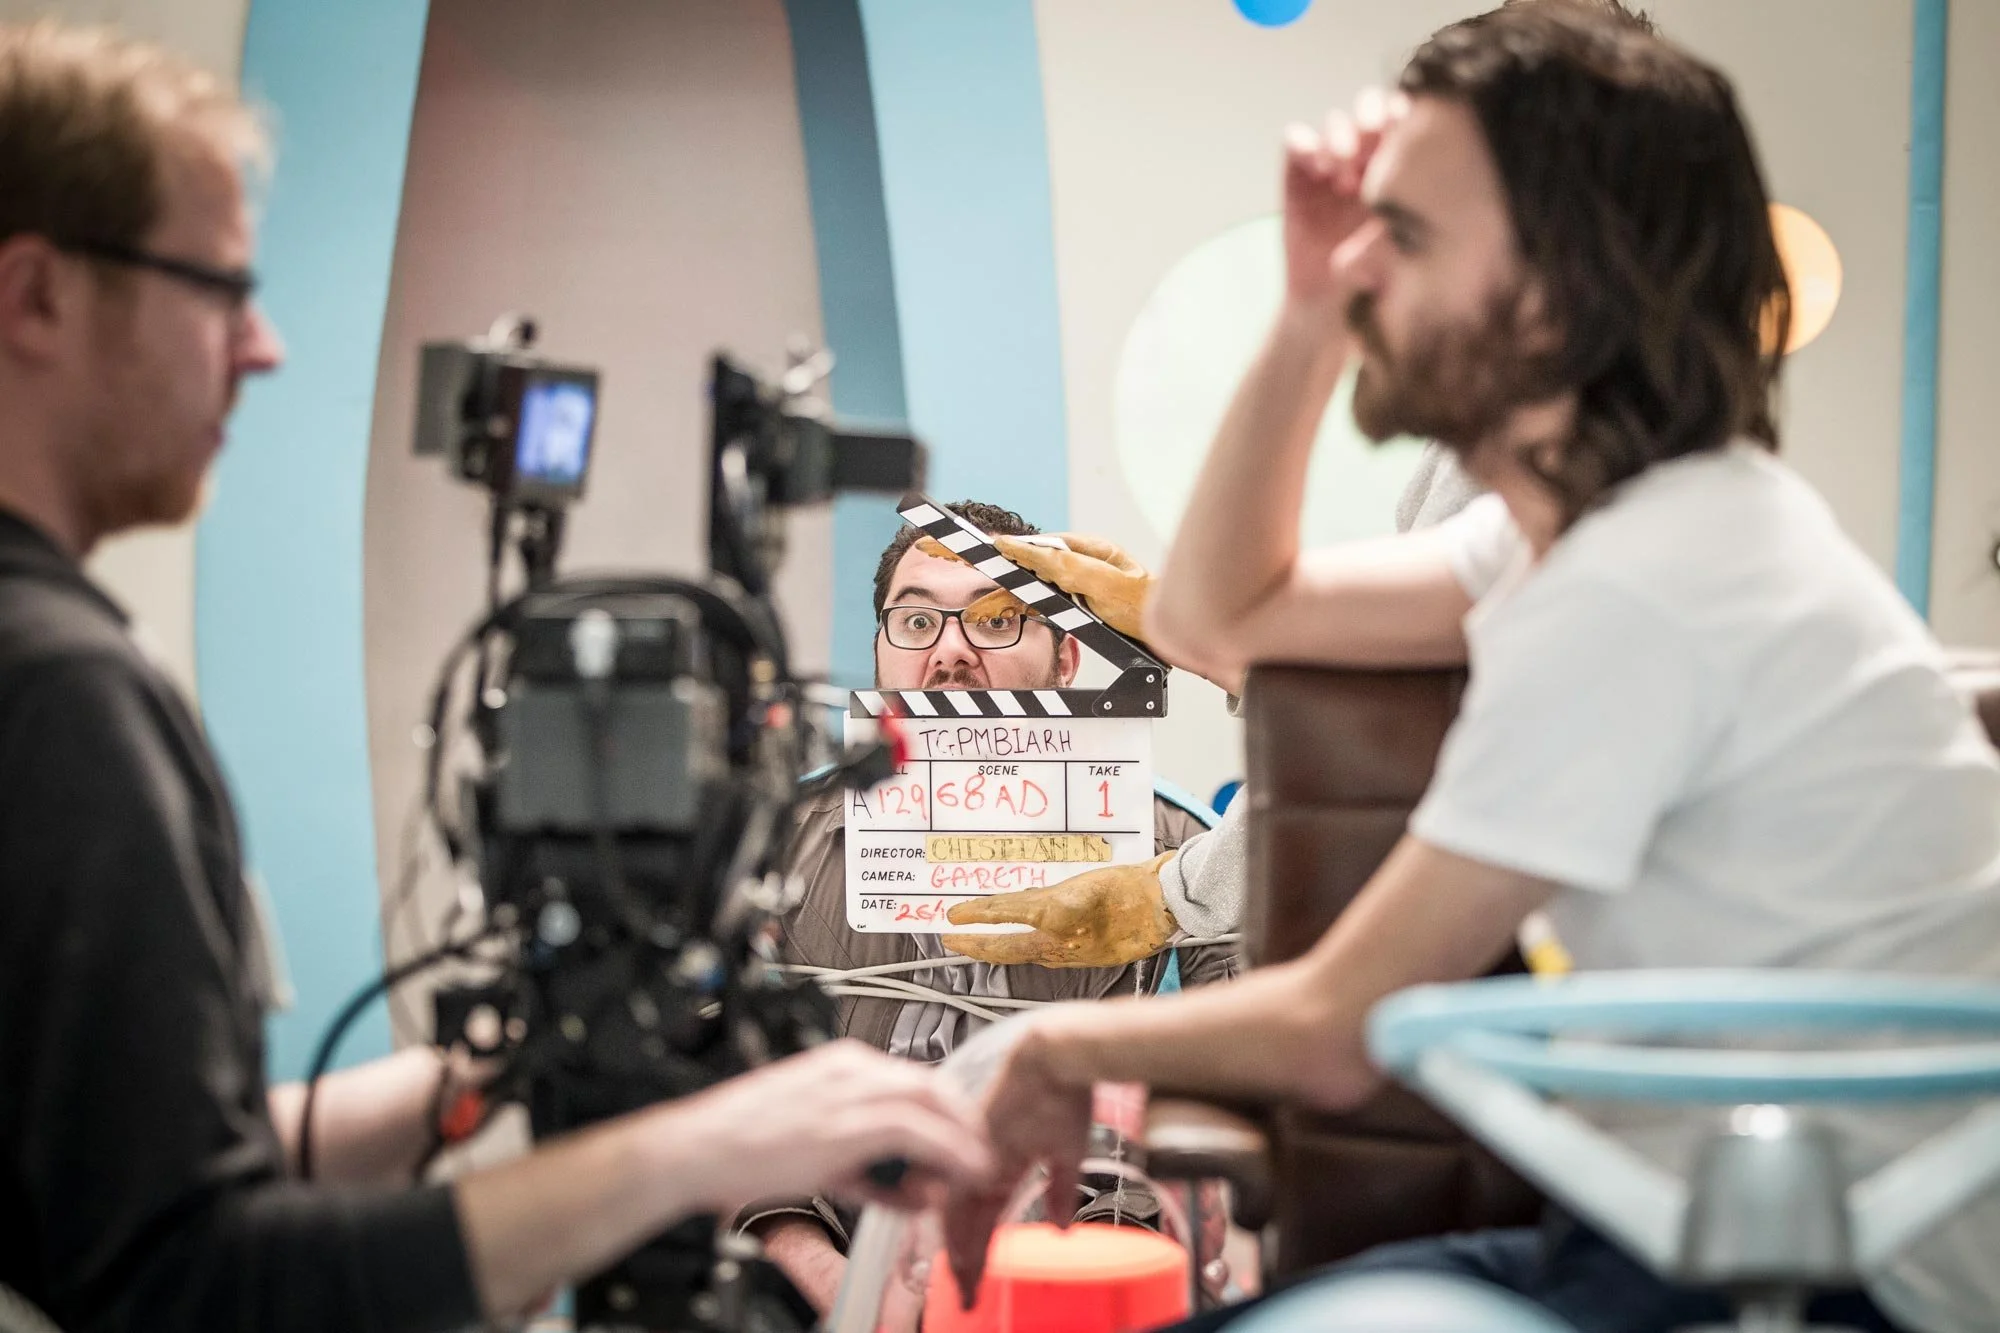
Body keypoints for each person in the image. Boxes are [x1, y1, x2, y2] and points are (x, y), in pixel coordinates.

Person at [939, 8, 2000, 1333]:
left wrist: (1048, 1043)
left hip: (1828, 1279)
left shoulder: (1640, 584)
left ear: (1560, 293)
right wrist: (1308, 310)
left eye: (1409, 237)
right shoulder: (1589, 533)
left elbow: (1335, 1028)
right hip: (1686, 1235)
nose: (1367, 270)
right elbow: (1224, 612)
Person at [0, 23, 991, 1333]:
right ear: (38, 295)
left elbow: (122, 1183)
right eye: (221, 288)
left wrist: (500, 1072)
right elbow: (190, 1283)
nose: (264, 346)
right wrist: (695, 1152)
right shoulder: (55, 696)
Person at [743, 500, 1239, 1311]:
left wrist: (1114, 1271)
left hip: (1088, 1267)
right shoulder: (768, 847)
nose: (950, 652)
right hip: (833, 1265)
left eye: (999, 619)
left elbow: (1239, 1088)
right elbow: (718, 1079)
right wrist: (819, 1270)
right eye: (915, 621)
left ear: (1068, 657)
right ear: (878, 653)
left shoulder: (1191, 851)